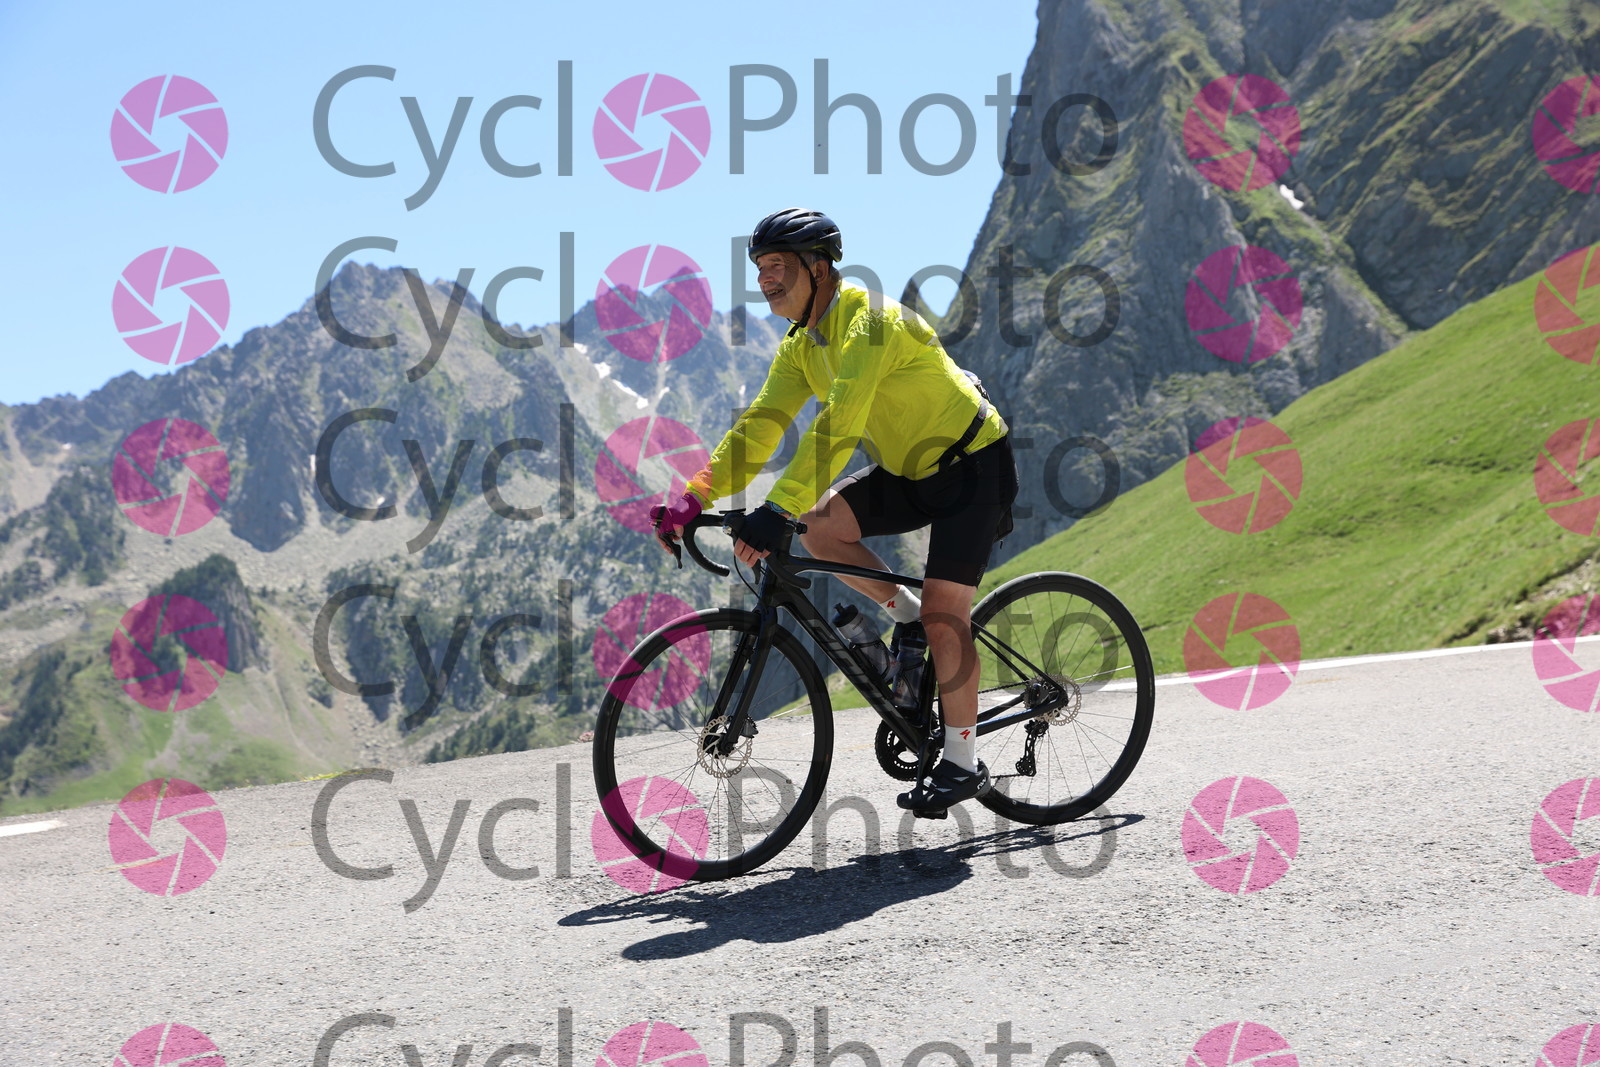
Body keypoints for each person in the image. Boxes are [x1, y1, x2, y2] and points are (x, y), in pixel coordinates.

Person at [650, 208, 1018, 811]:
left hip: (973, 467)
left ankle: (962, 763)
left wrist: (776, 509)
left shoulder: (869, 323)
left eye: (778, 266)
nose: (765, 279)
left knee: (946, 614)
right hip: (909, 470)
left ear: (819, 269)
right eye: (760, 268)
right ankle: (906, 619)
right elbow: (759, 427)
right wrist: (694, 498)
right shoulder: (801, 345)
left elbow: (839, 424)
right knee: (819, 526)